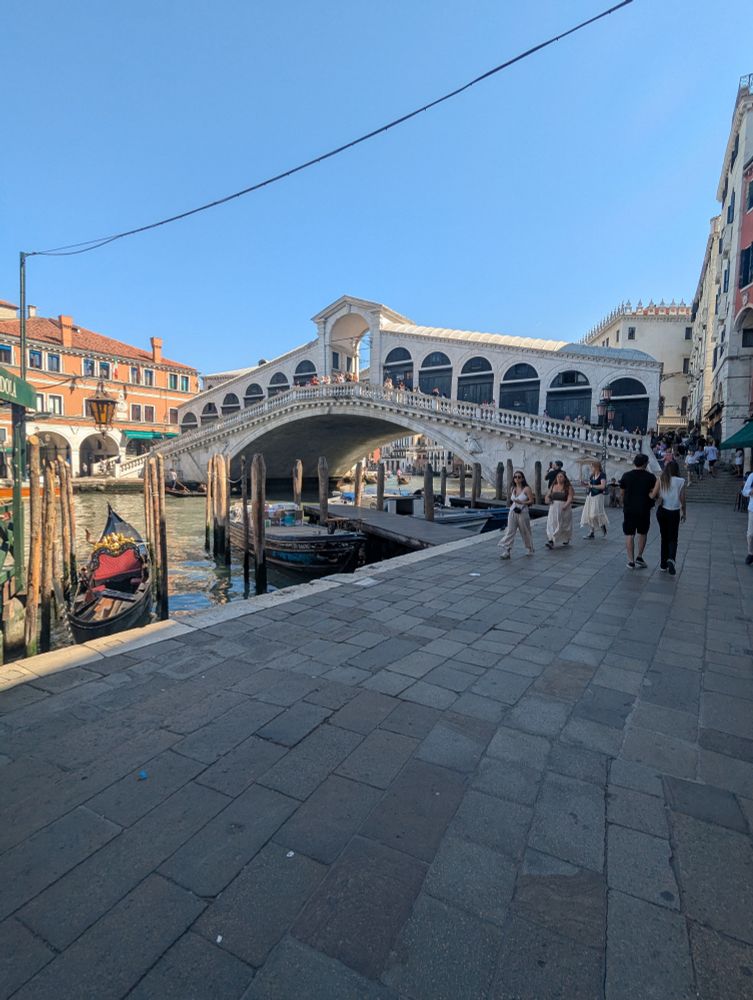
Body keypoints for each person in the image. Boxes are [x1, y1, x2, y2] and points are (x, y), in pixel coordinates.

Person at [619, 453, 656, 569]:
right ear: (645, 464)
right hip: (644, 509)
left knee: (629, 534)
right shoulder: (651, 477)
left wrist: (622, 503)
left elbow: (622, 493)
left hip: (629, 509)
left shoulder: (626, 476)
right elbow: (653, 493)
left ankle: (631, 560)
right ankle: (639, 556)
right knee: (642, 532)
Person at [650, 460, 686, 575]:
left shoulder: (661, 479)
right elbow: (682, 499)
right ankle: (671, 559)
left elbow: (653, 495)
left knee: (664, 537)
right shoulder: (681, 481)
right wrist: (684, 512)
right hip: (674, 512)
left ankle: (663, 564)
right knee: (673, 538)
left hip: (662, 511)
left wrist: (649, 494)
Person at [498, 471, 535, 559]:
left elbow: (531, 501)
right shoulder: (513, 488)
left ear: (522, 478)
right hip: (513, 511)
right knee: (510, 530)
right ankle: (507, 550)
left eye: (519, 477)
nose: (517, 479)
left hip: (523, 511)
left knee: (525, 531)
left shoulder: (526, 489)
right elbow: (512, 500)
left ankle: (529, 548)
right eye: (515, 477)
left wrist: (522, 502)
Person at [545, 470, 574, 549]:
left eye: (561, 477)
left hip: (563, 507)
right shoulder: (553, 486)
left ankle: (566, 538)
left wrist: (566, 505)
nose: (559, 478)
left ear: (564, 478)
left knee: (563, 524)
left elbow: (570, 497)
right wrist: (547, 500)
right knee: (552, 523)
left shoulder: (568, 487)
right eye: (558, 477)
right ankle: (551, 540)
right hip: (553, 507)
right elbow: (548, 495)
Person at [580, 461, 609, 538]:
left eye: (592, 466)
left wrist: (592, 486)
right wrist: (585, 485)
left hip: (598, 496)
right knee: (589, 514)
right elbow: (590, 486)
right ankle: (591, 532)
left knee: (594, 514)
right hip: (590, 496)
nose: (591, 468)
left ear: (596, 467)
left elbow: (603, 486)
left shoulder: (602, 475)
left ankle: (602, 525)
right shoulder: (592, 475)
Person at [743, 470, 753, 565]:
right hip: (752, 509)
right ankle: (751, 553)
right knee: (750, 534)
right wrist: (750, 491)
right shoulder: (752, 476)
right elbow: (744, 491)